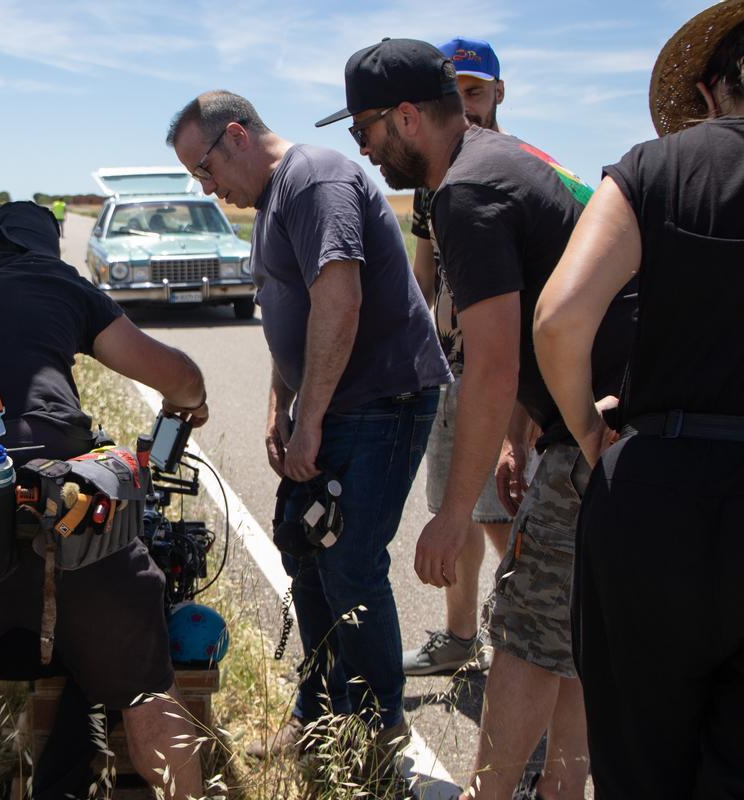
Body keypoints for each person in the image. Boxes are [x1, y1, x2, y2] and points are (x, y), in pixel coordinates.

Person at [319, 38, 635, 799]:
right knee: (569, 631)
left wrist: (454, 515)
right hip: (617, 420)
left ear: (405, 118)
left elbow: (492, 365)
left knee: (524, 630)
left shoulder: (464, 193)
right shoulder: (506, 157)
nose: (362, 149)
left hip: (595, 429)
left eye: (363, 129)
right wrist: (522, 438)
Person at [0, 201, 207, 800]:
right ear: (42, 247)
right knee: (147, 690)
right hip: (65, 517)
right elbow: (173, 374)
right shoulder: (54, 279)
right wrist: (190, 400)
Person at [166, 91, 449, 759]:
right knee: (306, 554)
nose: (206, 188)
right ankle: (317, 715)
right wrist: (280, 406)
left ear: (237, 136)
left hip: (380, 401)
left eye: (205, 169)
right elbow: (288, 315)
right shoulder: (271, 202)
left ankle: (380, 730)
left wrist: (310, 419)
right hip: (334, 405)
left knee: (350, 565)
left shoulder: (315, 180)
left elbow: (338, 301)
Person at [534, 3, 744, 796]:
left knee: (639, 763)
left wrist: (591, 435)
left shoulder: (656, 168)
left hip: (655, 493)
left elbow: (559, 319)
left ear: (709, 89)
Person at [403, 36, 514, 677]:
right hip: (449, 371)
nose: (467, 104)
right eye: (456, 92)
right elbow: (423, 278)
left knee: (506, 514)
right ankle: (459, 637)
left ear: (499, 92)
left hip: (506, 376)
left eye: (477, 91)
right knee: (456, 508)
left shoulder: (512, 169)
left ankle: (536, 651)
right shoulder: (431, 182)